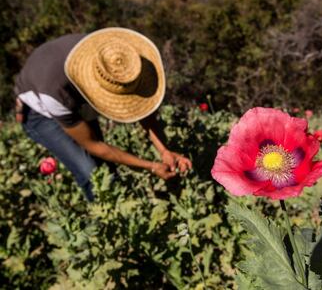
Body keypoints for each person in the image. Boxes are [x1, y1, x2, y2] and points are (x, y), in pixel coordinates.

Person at [14, 27, 192, 201]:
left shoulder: (114, 56)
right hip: (39, 113)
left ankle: (121, 203)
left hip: (64, 89)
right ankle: (106, 220)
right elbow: (94, 145)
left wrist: (164, 150)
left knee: (108, 169)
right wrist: (151, 166)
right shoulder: (56, 93)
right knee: (91, 172)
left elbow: (143, 111)